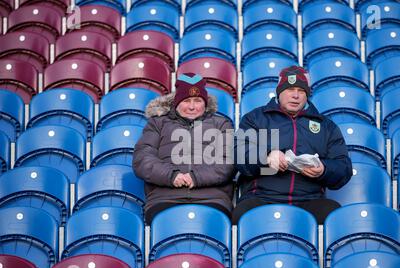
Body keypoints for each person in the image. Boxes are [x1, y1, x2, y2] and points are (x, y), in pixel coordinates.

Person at [233, 65, 352, 224]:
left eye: (301, 91)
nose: (295, 95)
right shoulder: (255, 118)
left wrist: (324, 169)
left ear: (307, 95)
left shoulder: (326, 126)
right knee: (241, 214)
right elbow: (239, 154)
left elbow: (343, 167)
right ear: (279, 92)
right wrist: (267, 157)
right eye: (290, 90)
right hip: (262, 197)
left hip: (309, 199)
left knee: (333, 215)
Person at [132, 73, 235, 224]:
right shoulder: (157, 124)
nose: (192, 106)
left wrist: (196, 177)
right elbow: (142, 159)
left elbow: (228, 161)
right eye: (187, 101)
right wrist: (171, 176)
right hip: (164, 198)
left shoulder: (221, 124)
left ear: (205, 103)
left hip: (212, 198)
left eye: (198, 100)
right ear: (176, 102)